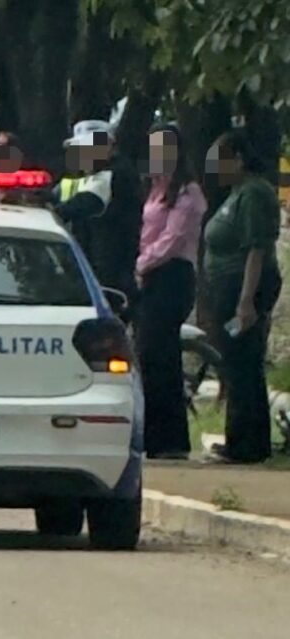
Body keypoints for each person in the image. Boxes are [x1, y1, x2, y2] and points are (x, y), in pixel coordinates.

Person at [203, 130, 283, 464]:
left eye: (220, 161)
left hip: (245, 287)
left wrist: (246, 300)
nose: (215, 169)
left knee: (244, 361)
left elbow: (256, 248)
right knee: (235, 363)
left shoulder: (254, 193)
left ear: (237, 158)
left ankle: (248, 444)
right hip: (228, 287)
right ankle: (239, 437)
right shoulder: (236, 192)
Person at [134, 123, 208, 460]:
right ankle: (152, 435)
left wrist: (142, 264)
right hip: (151, 275)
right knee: (149, 355)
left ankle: (171, 440)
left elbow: (172, 239)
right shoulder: (154, 189)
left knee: (161, 354)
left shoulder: (187, 193)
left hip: (171, 275)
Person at [53, 120, 144, 314]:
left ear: (107, 147)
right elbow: (58, 196)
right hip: (97, 272)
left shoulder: (115, 175)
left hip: (111, 277)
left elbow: (79, 205)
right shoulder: (90, 176)